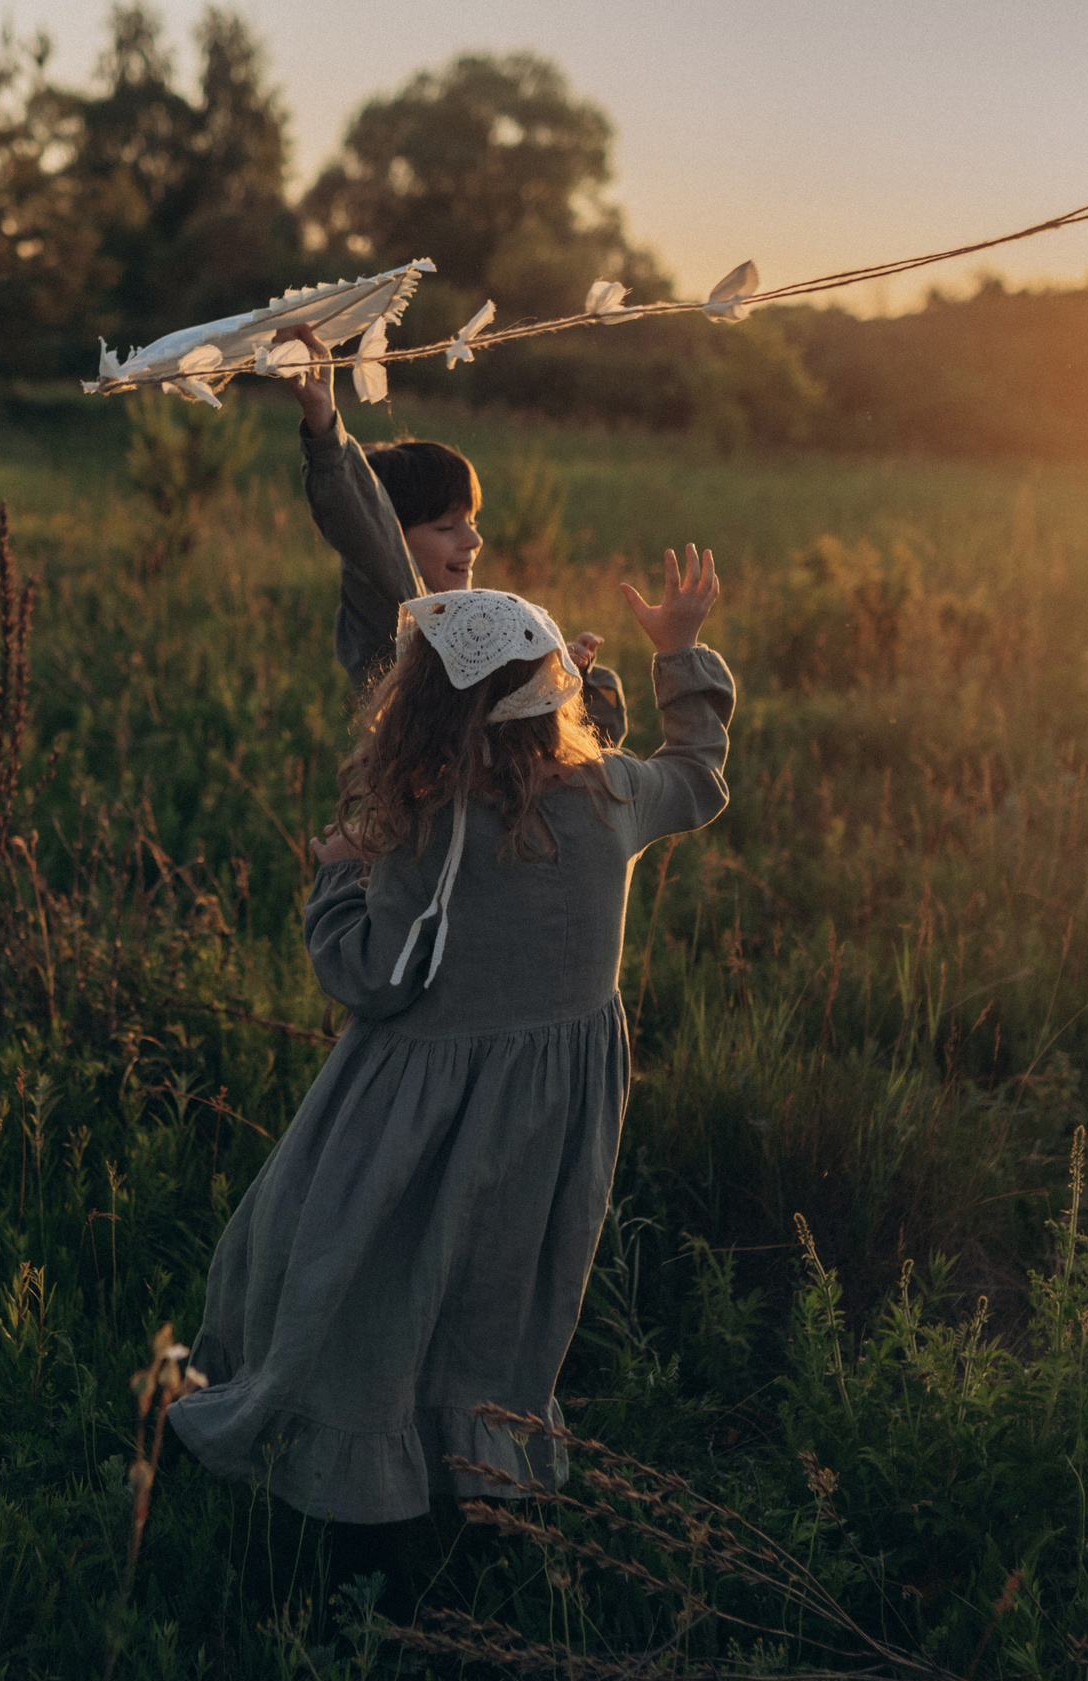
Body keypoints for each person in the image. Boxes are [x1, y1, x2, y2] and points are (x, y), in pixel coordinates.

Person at [166, 543, 733, 1597]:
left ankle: (357, 1529)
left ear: (420, 719)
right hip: (548, 1123)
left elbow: (370, 977)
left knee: (365, 1283)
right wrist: (678, 654)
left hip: (408, 1126)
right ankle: (480, 1489)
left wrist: (339, 872)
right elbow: (695, 775)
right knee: (495, 1299)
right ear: (553, 696)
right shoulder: (610, 797)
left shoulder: (428, 835)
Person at [274, 325, 628, 748]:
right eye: (445, 527)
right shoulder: (397, 609)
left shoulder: (463, 623)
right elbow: (363, 523)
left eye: (472, 522)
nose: (473, 541)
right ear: (391, 537)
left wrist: (557, 676)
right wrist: (324, 425)